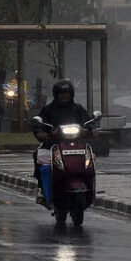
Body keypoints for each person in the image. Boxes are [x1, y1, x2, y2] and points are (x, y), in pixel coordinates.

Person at [32, 79, 95, 207]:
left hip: (76, 145)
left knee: (90, 162)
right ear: (56, 94)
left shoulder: (78, 109)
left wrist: (92, 129)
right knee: (42, 162)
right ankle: (44, 192)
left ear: (71, 94)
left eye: (66, 92)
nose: (63, 95)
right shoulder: (48, 109)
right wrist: (41, 133)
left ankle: (90, 191)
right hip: (53, 145)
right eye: (61, 93)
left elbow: (88, 122)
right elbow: (39, 125)